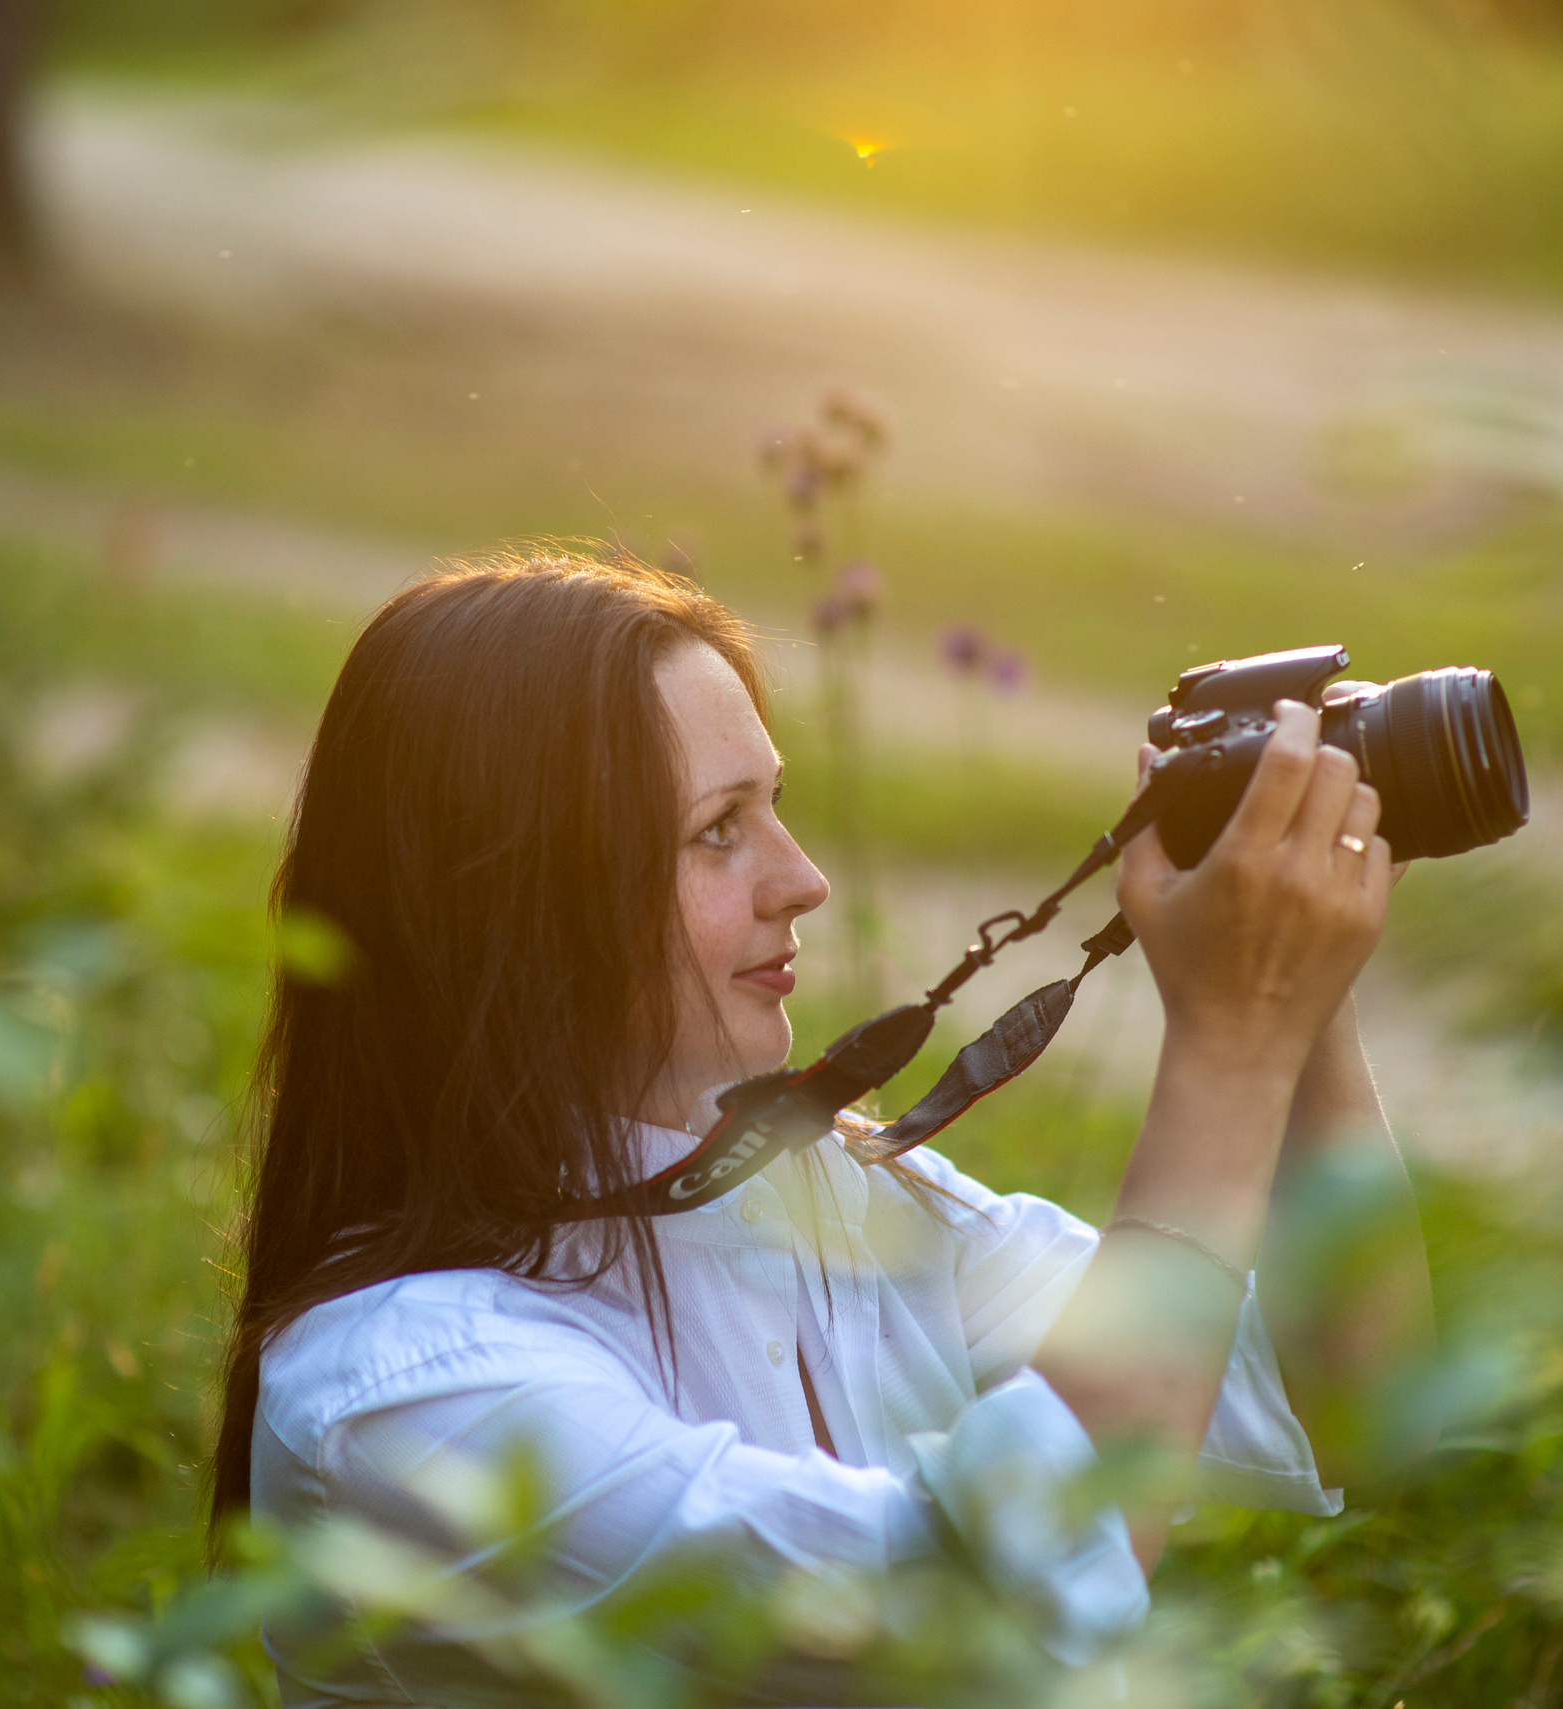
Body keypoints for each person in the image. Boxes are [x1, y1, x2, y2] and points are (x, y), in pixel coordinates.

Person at [211, 552, 1435, 1704]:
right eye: (718, 830)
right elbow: (987, 1610)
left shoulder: (824, 1198)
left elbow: (1352, 1389)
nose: (803, 879)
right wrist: (1232, 1039)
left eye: (778, 806)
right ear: (515, 900)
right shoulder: (407, 1399)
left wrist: (1299, 985)